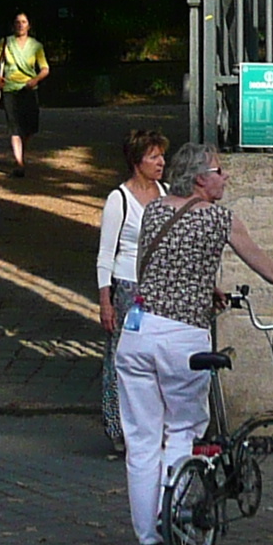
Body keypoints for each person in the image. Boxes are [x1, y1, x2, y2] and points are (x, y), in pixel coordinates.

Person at [114, 143, 273, 545]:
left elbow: (163, 264)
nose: (226, 177)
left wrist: (206, 287)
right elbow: (271, 271)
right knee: (183, 429)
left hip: (137, 333)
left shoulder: (155, 210)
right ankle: (177, 515)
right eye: (219, 170)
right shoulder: (221, 219)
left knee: (142, 439)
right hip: (181, 338)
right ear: (200, 178)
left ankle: (148, 537)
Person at [94, 127, 168, 452]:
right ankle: (118, 427)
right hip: (127, 287)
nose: (161, 162)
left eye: (161, 155)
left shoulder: (166, 194)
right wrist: (105, 301)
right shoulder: (119, 199)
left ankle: (151, 426)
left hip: (159, 288)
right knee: (122, 358)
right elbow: (105, 253)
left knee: (157, 358)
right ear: (137, 161)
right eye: (153, 156)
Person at [0, 13, 51, 174]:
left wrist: (35, 80)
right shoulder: (5, 43)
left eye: (24, 22)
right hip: (10, 88)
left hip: (29, 89)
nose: (20, 25)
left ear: (29, 26)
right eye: (17, 22)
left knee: (30, 127)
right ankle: (19, 162)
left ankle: (21, 153)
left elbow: (45, 68)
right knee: (14, 126)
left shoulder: (36, 46)